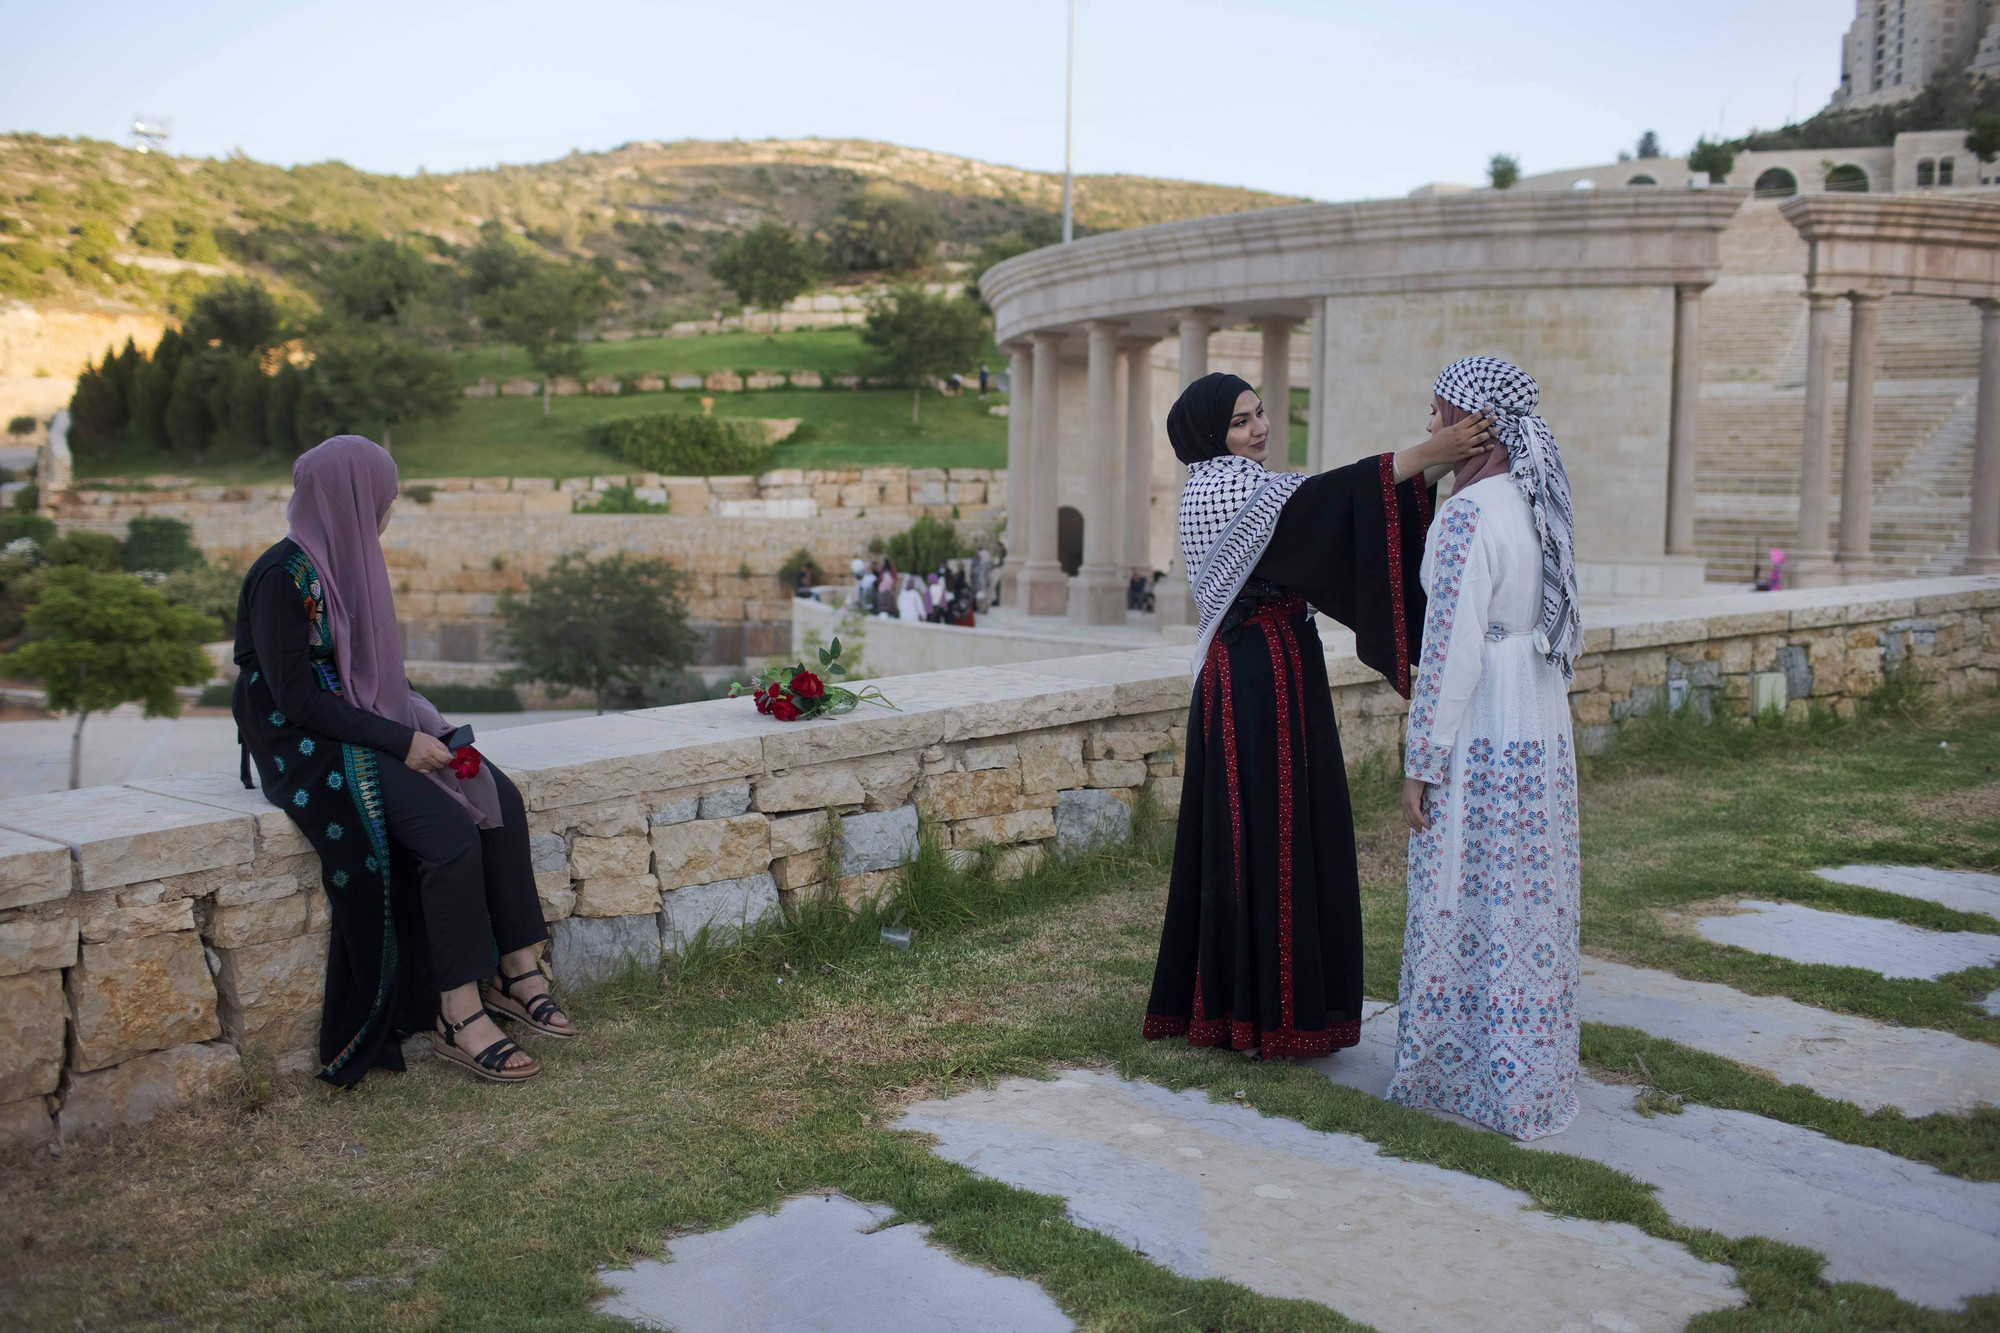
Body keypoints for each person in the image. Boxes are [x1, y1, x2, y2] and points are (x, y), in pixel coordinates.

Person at [1143, 373, 1492, 1060]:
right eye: (1242, 421)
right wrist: (1431, 454)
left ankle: (1283, 1007)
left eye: (1261, 412)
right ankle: (1258, 1017)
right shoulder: (1219, 486)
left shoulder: (1252, 485)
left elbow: (1322, 514)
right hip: (1252, 676)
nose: (1259, 428)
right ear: (1212, 435)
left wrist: (1435, 461)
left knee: (1296, 825)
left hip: (1280, 666)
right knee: (1263, 832)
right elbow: (1328, 502)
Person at [232, 436, 573, 1088]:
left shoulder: (351, 561)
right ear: (351, 500)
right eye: (381, 497)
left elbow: (377, 677)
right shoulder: (284, 577)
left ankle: (517, 967)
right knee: (445, 834)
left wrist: (422, 723)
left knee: (491, 791)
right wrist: (399, 741)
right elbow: (297, 701)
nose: (386, 510)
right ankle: (457, 1012)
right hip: (304, 743)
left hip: (365, 723)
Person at [1389, 356, 1583, 1139]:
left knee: (1468, 879)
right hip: (1537, 709)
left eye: (1441, 415)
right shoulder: (1532, 499)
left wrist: (1421, 762)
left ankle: (1463, 1074)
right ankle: (1530, 1071)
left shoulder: (1467, 515)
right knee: (1523, 889)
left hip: (1490, 716)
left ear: (1476, 428)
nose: (1432, 429)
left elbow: (1451, 651)